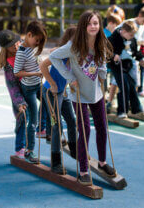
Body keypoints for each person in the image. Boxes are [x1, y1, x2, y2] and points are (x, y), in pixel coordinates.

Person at [49, 10, 115, 185]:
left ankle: (102, 163)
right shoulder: (73, 45)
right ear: (83, 26)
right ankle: (84, 170)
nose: (93, 26)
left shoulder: (101, 41)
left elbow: (102, 61)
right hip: (79, 94)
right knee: (84, 129)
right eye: (89, 23)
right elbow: (53, 57)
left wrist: (103, 72)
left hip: (96, 92)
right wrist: (70, 77)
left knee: (102, 126)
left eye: (96, 23)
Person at [40, 26, 77, 175]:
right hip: (51, 91)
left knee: (72, 120)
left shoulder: (75, 53)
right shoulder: (61, 52)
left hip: (63, 92)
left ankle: (74, 149)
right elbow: (42, 65)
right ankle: (56, 162)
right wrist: (53, 84)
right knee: (57, 126)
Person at [14, 20, 47, 164]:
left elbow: (37, 61)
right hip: (29, 89)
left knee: (49, 102)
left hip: (39, 84)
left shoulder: (34, 48)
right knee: (32, 119)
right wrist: (34, 73)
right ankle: (29, 151)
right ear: (29, 35)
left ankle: (43, 128)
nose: (38, 43)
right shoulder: (21, 52)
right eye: (37, 40)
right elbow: (17, 72)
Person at [0, 30, 27, 159]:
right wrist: (19, 103)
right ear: (5, 48)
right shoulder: (8, 64)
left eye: (17, 43)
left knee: (45, 103)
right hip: (19, 93)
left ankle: (44, 128)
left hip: (32, 87)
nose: (15, 46)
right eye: (11, 46)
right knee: (22, 117)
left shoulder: (25, 49)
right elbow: (12, 87)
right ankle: (20, 147)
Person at [108, 21, 144, 118]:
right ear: (123, 31)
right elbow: (107, 51)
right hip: (117, 66)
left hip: (127, 65)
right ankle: (121, 111)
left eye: (133, 35)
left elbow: (135, 52)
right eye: (131, 34)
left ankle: (136, 108)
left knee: (132, 85)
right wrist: (113, 56)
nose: (132, 37)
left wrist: (141, 58)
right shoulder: (113, 38)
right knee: (124, 86)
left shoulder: (132, 39)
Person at [103, 13, 123, 113]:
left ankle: (110, 102)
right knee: (104, 85)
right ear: (111, 23)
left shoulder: (115, 34)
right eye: (116, 25)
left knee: (113, 83)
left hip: (113, 65)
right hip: (104, 64)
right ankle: (101, 103)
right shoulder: (103, 33)